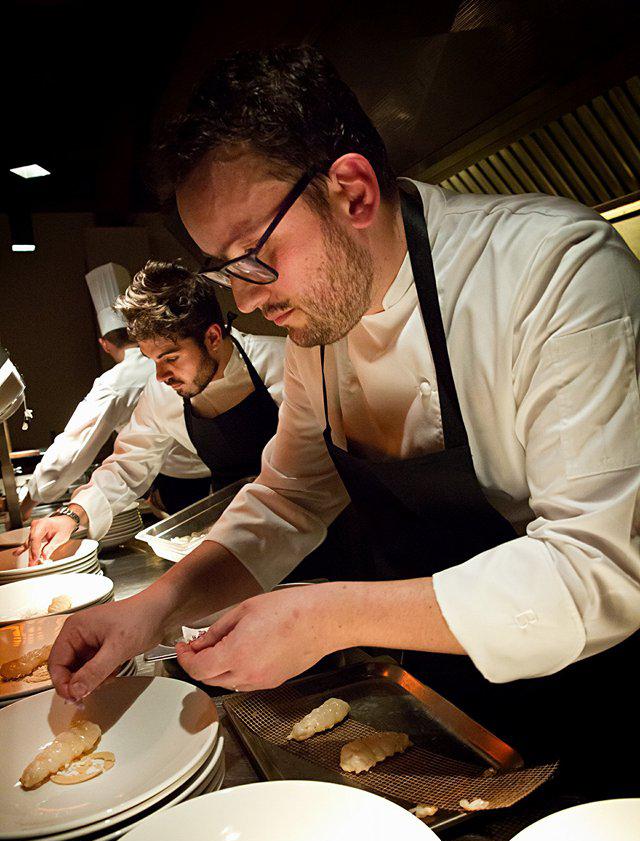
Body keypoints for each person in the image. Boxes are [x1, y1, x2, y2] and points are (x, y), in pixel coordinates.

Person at [49, 48, 640, 791]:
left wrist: (324, 618)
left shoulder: (552, 269)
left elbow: (601, 567)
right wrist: (154, 608)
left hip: (594, 706)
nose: (245, 301)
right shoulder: (320, 328)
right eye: (225, 271)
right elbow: (290, 498)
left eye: (252, 255)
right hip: (437, 707)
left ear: (353, 192)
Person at [25, 260, 286, 564]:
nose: (161, 376)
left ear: (213, 337)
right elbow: (128, 465)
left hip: (311, 529)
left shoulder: (282, 362)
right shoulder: (161, 393)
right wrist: (72, 514)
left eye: (170, 358)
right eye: (153, 361)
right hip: (237, 539)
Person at [20, 263, 156, 520]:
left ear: (104, 344)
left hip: (164, 485)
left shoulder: (115, 382)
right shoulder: (164, 362)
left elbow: (72, 449)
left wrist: (28, 501)